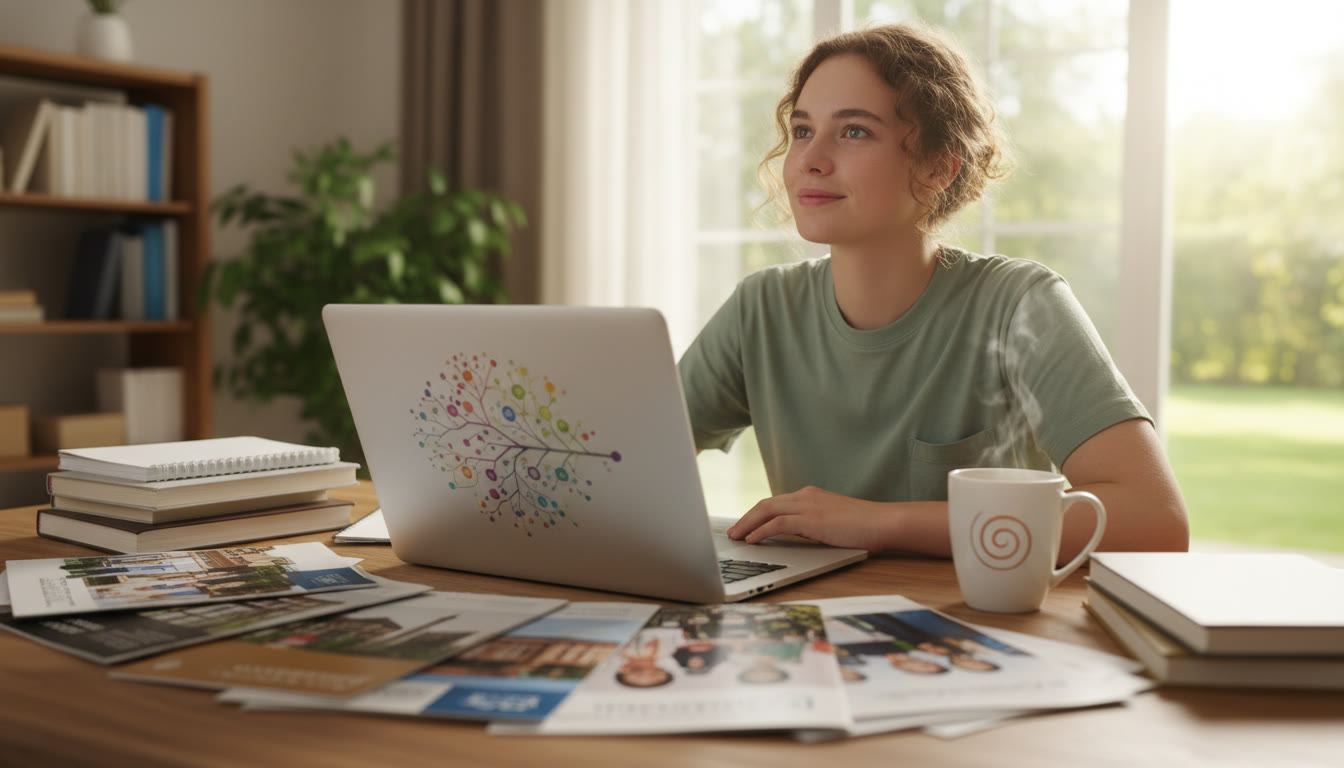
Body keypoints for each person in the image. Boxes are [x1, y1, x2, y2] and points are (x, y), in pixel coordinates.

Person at [677, 22, 1189, 559]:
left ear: (938, 167)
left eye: (854, 131)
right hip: (806, 625)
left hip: (976, 629)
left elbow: (1155, 520)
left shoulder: (1019, 305)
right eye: (803, 130)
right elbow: (627, 465)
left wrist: (880, 523)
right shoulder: (759, 310)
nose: (809, 158)